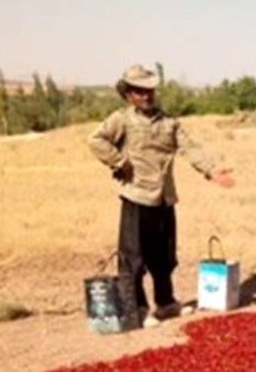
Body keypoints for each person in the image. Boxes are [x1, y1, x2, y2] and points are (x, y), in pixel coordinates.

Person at [88, 64, 234, 329]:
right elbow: (96, 140)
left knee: (164, 257)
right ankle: (140, 309)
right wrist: (119, 162)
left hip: (164, 199)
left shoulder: (169, 122)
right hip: (137, 198)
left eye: (149, 91)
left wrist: (211, 170)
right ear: (129, 94)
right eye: (139, 91)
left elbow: (190, 147)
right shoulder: (122, 119)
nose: (146, 96)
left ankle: (166, 303)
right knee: (133, 259)